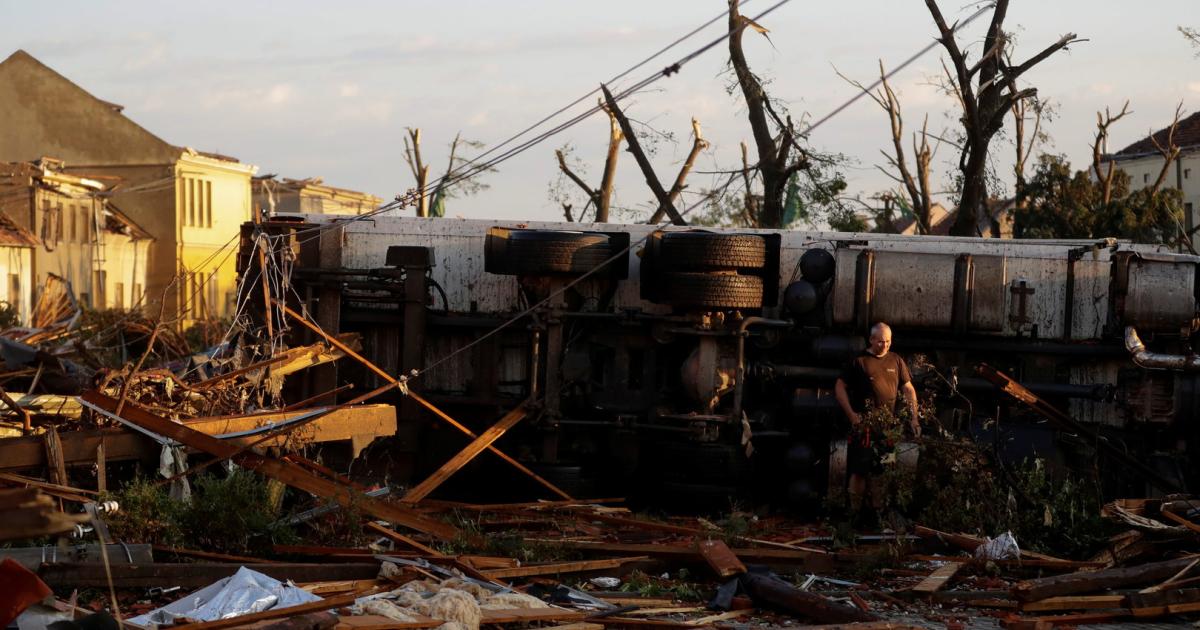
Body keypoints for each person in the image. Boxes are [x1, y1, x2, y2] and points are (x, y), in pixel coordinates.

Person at [834, 322, 920, 518]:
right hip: (863, 428)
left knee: (882, 470)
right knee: (859, 470)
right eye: (881, 341)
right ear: (871, 339)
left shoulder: (896, 360)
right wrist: (852, 415)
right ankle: (854, 514)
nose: (885, 345)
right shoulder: (859, 361)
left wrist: (914, 418)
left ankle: (878, 513)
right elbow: (839, 387)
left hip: (887, 430)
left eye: (888, 341)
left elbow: (908, 389)